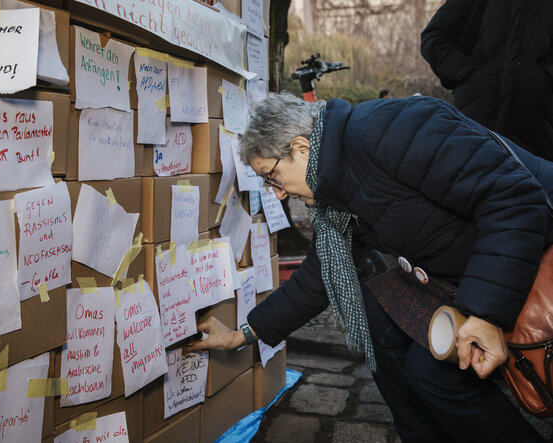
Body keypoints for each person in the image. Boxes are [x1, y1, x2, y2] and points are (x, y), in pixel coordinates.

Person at [186, 93, 553, 442]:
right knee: (373, 314)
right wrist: (243, 334)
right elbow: (317, 278)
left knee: (434, 374)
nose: (277, 193)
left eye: (271, 177)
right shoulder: (334, 195)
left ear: (301, 148)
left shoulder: (391, 128)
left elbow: (515, 199)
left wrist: (485, 313)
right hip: (463, 265)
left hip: (533, 239)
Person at [421, 0, 553, 161]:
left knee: (535, 182)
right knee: (470, 176)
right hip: (478, 111)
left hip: (535, 120)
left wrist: (543, 83)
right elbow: (433, 38)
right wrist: (466, 74)